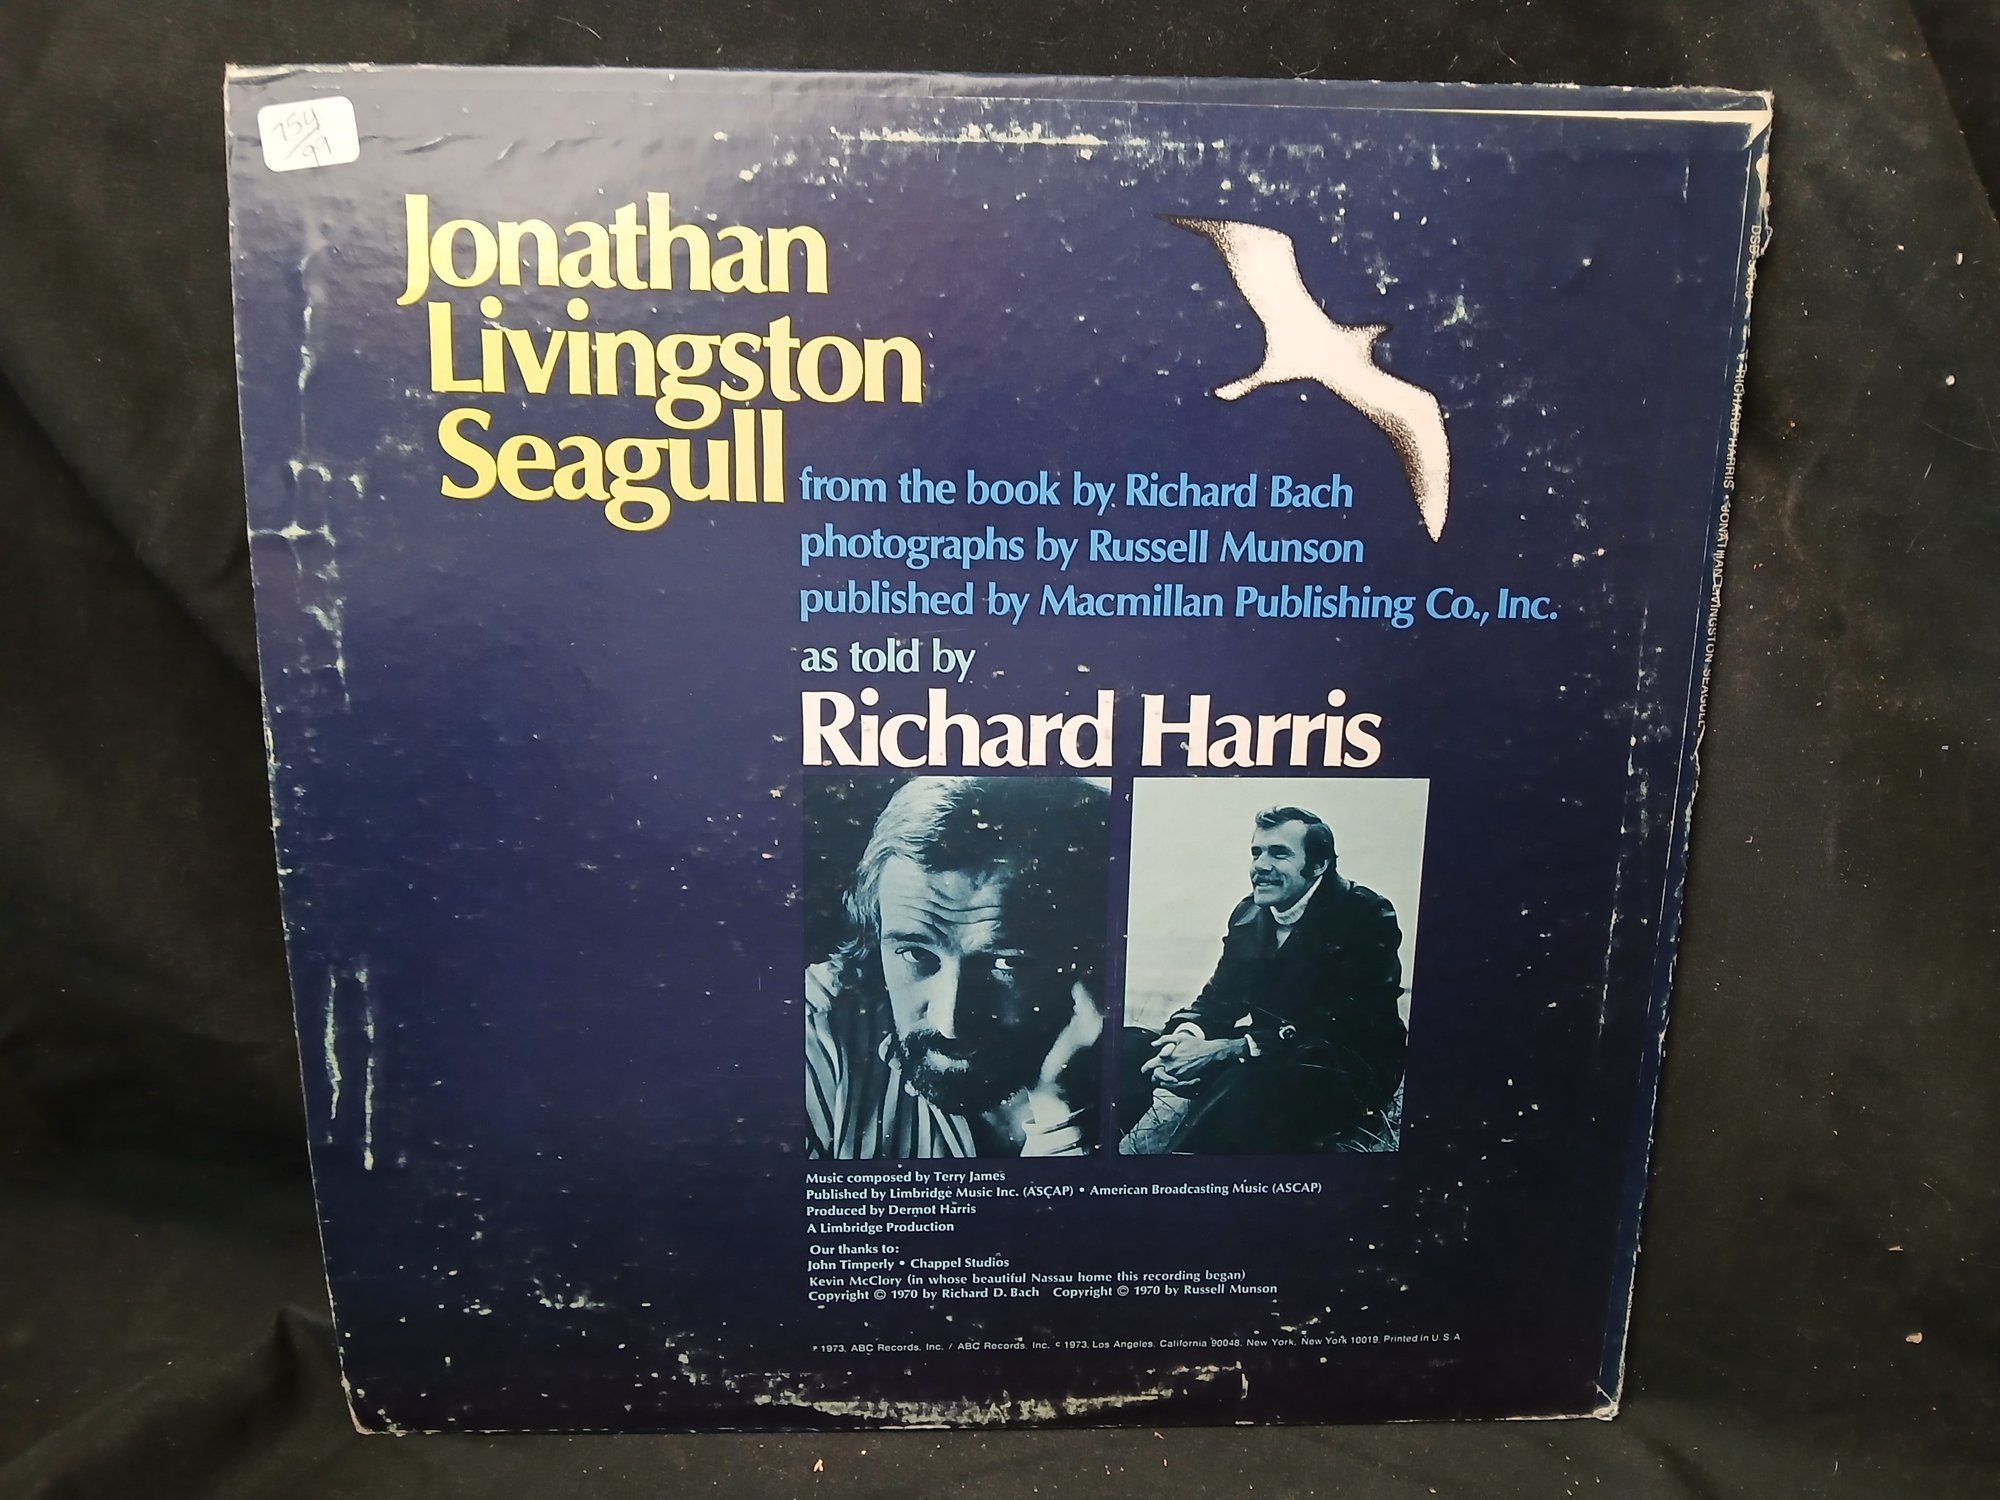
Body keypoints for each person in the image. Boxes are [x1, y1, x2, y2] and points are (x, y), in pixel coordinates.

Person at [806, 776, 1109, 1158]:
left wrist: (1059, 1111)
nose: (949, 1023)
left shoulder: (1141, 1073)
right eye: (916, 955)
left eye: (1006, 963)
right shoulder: (813, 1034)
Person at [1120, 805, 1406, 1154]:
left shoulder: (1365, 914)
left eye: (1279, 853)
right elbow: (1218, 1000)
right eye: (1256, 852)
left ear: (1318, 864)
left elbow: (1346, 1027)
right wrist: (1180, 1043)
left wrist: (1230, 1050)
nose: (1261, 866)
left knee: (1245, 1081)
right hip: (1267, 1053)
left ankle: (1180, 1173)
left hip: (1343, 1067)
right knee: (1128, 1047)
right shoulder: (1248, 913)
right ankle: (1096, 1161)